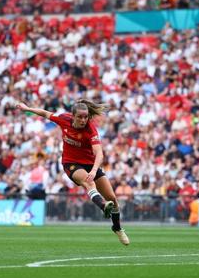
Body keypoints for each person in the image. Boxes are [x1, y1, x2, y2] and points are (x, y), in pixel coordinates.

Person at [16, 99, 130, 245]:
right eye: (80, 117)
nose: (83, 120)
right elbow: (45, 113)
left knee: (113, 198)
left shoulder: (91, 129)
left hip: (91, 165)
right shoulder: (64, 119)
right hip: (71, 164)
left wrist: (94, 170)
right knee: (88, 183)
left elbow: (99, 153)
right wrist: (28, 108)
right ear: (73, 116)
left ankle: (117, 228)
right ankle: (102, 206)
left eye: (86, 117)